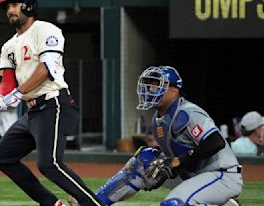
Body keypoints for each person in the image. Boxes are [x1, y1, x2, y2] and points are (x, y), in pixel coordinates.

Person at [0, 0, 104, 206]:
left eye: (14, 5)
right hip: (32, 112)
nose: (9, 11)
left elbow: (47, 69)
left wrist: (17, 93)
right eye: (8, 7)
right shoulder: (8, 46)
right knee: (2, 157)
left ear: (28, 6)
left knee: (49, 164)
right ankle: (52, 204)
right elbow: (7, 80)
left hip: (54, 104)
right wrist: (0, 96)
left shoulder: (46, 30)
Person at [72, 66, 243, 206]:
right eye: (151, 85)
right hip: (194, 175)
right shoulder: (158, 120)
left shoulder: (188, 113)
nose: (152, 89)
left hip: (221, 174)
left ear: (175, 90)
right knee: (143, 161)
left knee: (173, 204)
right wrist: (163, 167)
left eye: (159, 85)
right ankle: (92, 203)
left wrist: (178, 161)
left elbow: (216, 142)